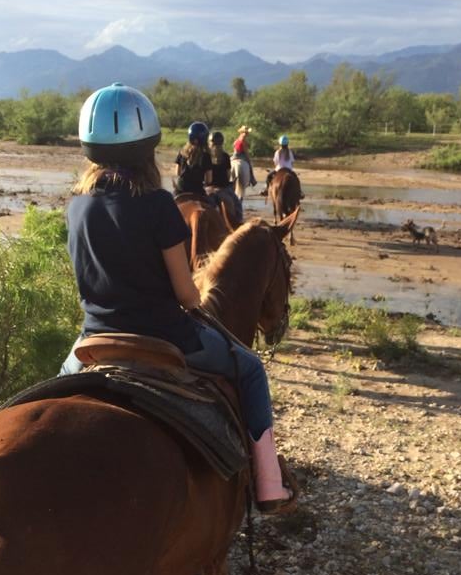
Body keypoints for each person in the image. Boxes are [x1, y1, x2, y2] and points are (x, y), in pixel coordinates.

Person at [60, 83, 296, 513]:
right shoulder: (155, 204)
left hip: (91, 340)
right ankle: (269, 487)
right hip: (165, 337)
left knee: (55, 395)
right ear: (148, 147)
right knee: (250, 368)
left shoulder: (76, 205)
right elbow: (187, 294)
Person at [206, 130, 243, 223]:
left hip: (209, 188)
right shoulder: (225, 156)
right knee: (238, 205)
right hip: (223, 188)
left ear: (210, 142)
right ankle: (239, 222)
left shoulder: (206, 156)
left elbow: (206, 176)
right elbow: (228, 175)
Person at [174, 121, 212, 196]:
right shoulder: (206, 156)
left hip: (181, 190)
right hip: (198, 191)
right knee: (213, 204)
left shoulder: (182, 153)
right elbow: (209, 179)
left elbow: (177, 172)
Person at [230, 125, 257, 202]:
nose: (246, 134)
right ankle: (252, 179)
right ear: (242, 132)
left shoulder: (236, 140)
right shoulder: (243, 141)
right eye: (245, 132)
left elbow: (234, 147)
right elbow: (246, 153)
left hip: (234, 157)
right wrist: (249, 161)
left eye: (246, 133)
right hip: (242, 157)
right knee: (250, 165)